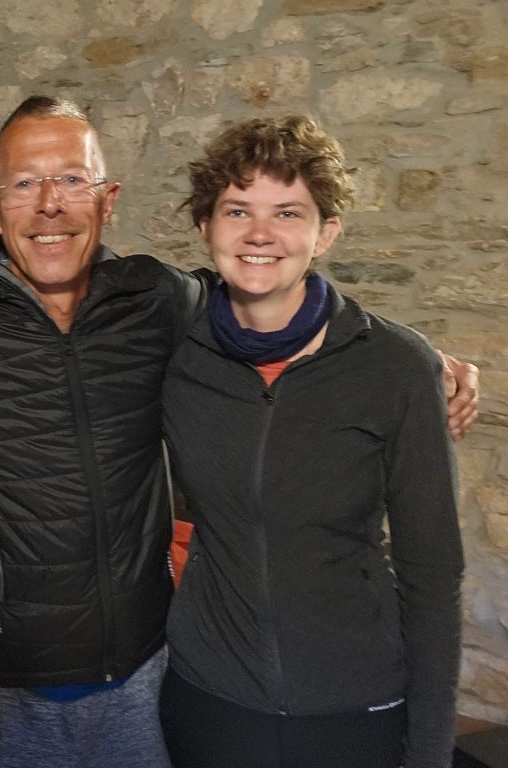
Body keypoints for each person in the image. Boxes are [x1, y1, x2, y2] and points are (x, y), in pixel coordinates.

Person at [0, 96, 479, 768]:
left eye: (72, 180)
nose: (49, 205)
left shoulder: (161, 303)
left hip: (146, 673)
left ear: (108, 200)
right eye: (25, 184)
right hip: (8, 686)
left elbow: (261, 299)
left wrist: (409, 360)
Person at [159, 115, 464, 768]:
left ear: (326, 232)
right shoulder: (174, 353)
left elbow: (433, 573)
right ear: (205, 226)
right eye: (237, 210)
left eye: (288, 213)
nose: (260, 233)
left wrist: (431, 752)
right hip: (211, 699)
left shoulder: (396, 367)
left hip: (354, 706)